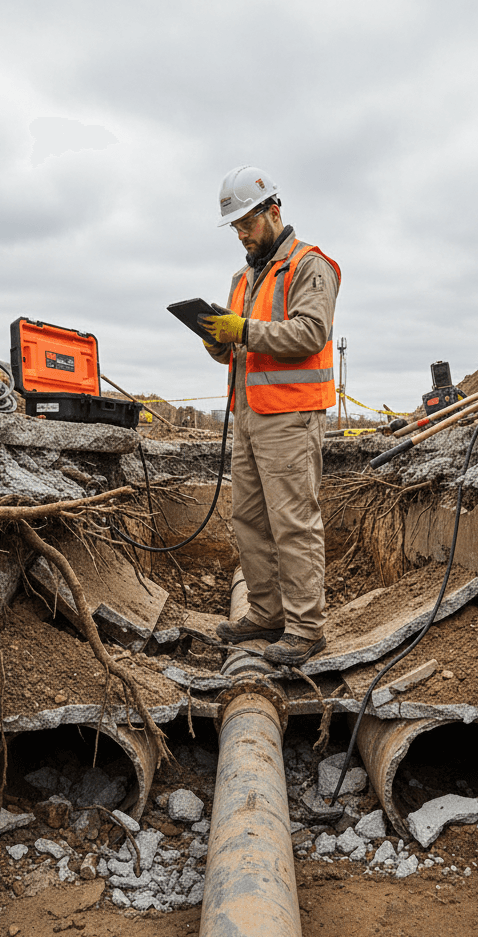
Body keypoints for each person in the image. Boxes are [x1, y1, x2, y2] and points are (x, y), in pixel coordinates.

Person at [199, 165, 341, 666]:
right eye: (234, 227)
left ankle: (305, 627)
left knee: (293, 522)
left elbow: (309, 334)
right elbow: (243, 347)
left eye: (246, 224)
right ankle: (265, 612)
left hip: (291, 416)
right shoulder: (243, 277)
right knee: (250, 519)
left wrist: (243, 330)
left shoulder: (309, 266)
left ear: (273, 211)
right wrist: (220, 341)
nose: (240, 234)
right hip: (250, 415)